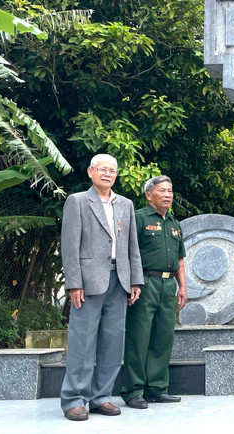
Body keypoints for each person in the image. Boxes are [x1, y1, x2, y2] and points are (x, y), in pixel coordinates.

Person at [59, 154, 143, 421]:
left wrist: (135, 280)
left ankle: (101, 397)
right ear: (90, 172)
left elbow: (132, 246)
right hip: (88, 282)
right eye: (102, 169)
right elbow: (70, 246)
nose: (108, 174)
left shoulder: (126, 204)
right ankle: (74, 399)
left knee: (112, 342)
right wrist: (74, 283)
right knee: (82, 342)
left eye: (113, 170)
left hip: (119, 281)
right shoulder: (78, 201)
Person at [121, 175, 188, 408]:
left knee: (163, 337)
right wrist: (133, 282)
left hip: (168, 285)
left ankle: (157, 388)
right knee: (139, 339)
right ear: (149, 195)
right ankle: (133, 391)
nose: (168, 195)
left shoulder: (174, 223)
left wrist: (183, 286)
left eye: (170, 191)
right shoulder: (138, 218)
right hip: (145, 284)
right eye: (162, 191)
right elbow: (129, 252)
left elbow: (179, 258)